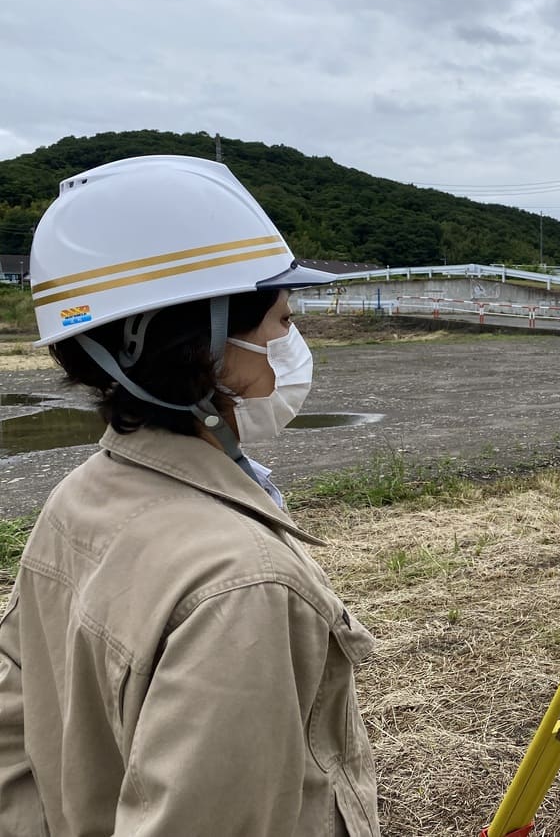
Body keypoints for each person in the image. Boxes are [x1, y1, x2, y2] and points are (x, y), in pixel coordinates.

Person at [0, 155, 380, 835]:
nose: (291, 345)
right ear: (197, 343)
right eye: (279, 323)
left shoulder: (77, 500)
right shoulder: (240, 584)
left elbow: (13, 743)